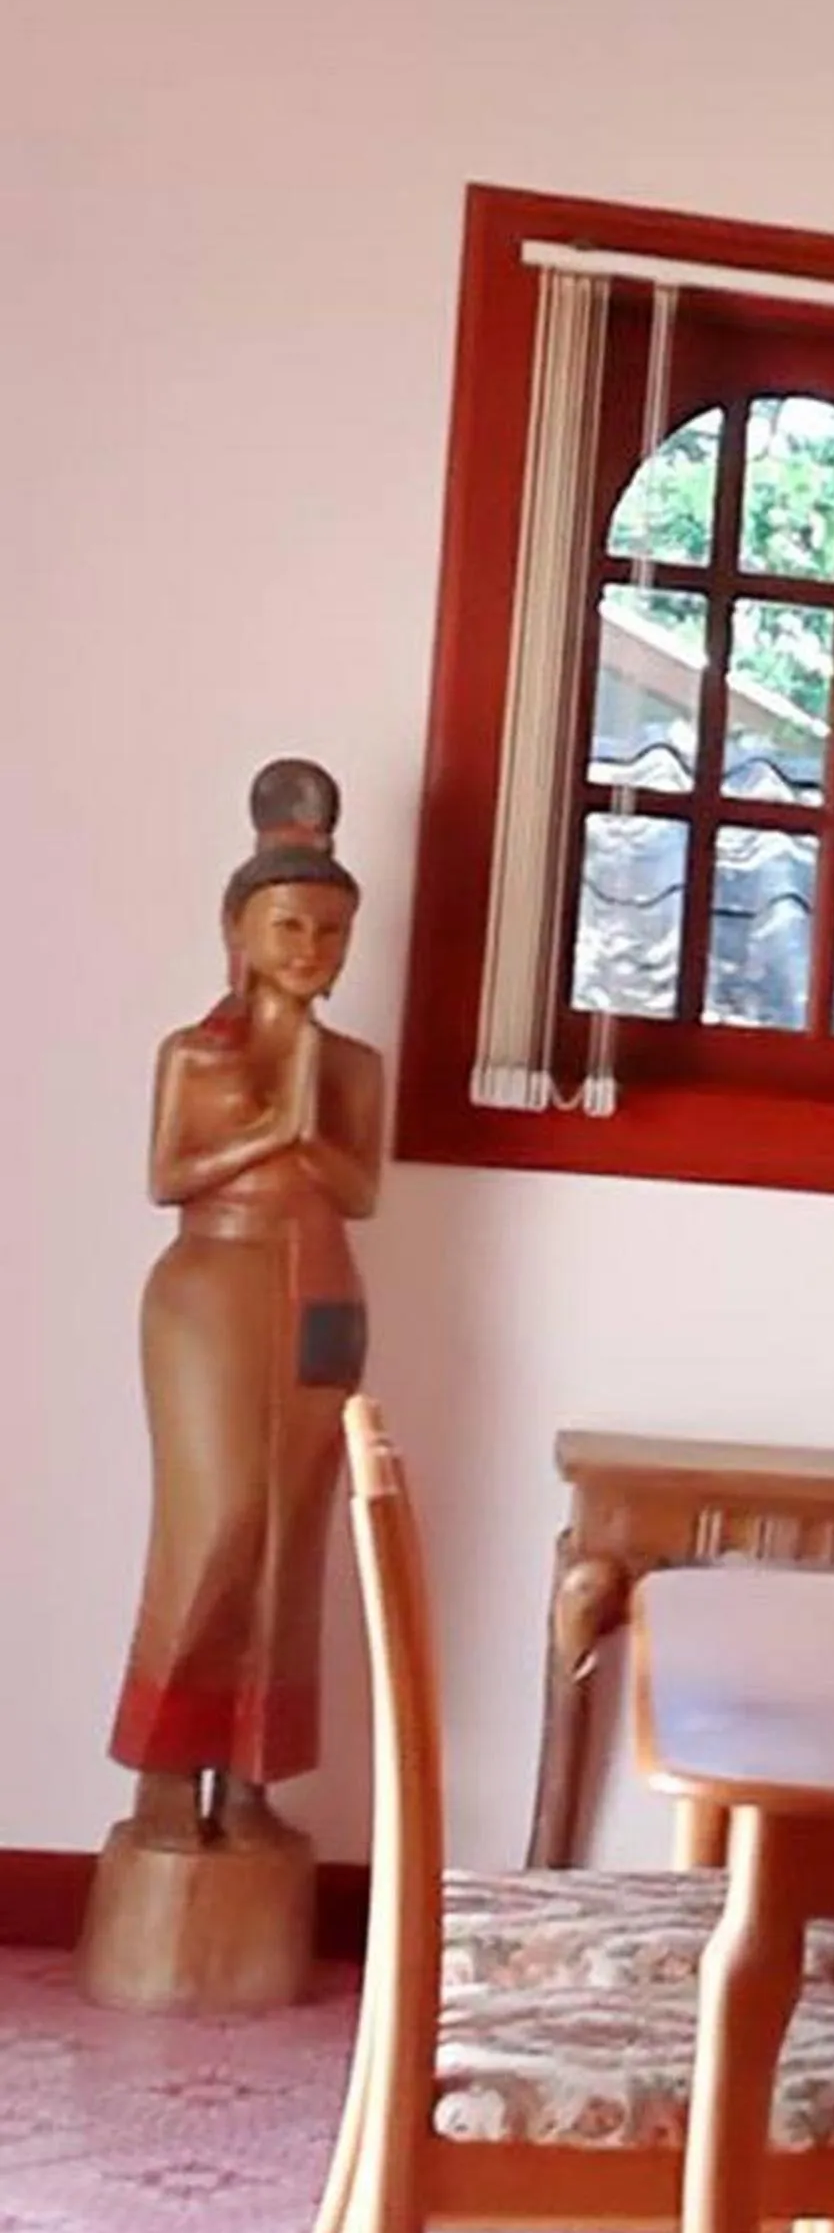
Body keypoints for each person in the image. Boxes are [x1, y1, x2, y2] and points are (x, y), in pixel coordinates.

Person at [112, 760, 383, 1848]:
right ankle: (168, 1767)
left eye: (329, 931)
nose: (311, 950)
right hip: (211, 1282)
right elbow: (168, 1176)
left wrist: (314, 1125)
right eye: (289, 927)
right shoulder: (197, 1053)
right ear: (240, 928)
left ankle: (256, 1777)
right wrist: (274, 1130)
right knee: (215, 1516)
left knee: (292, 1528)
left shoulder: (354, 1064)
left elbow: (361, 1190)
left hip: (320, 1282)